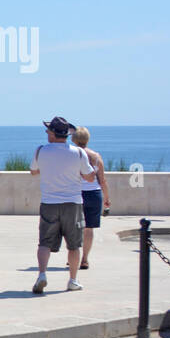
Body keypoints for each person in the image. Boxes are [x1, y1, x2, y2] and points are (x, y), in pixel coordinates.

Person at [30, 117, 96, 293]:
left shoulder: (40, 151)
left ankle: (42, 275)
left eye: (48, 131)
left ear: (52, 133)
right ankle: (73, 280)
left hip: (49, 202)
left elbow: (33, 171)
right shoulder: (79, 153)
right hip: (73, 203)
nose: (46, 133)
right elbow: (90, 176)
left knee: (44, 242)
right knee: (74, 245)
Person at [71, 127, 110, 270]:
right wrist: (106, 198)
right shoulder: (96, 156)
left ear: (74, 139)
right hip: (94, 194)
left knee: (74, 228)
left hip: (76, 194)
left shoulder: (72, 154)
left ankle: (72, 257)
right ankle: (85, 259)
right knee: (89, 229)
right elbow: (102, 180)